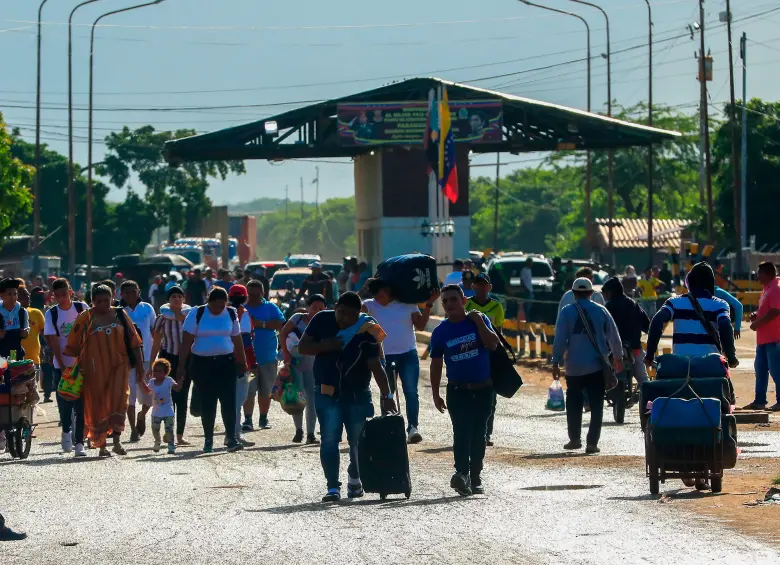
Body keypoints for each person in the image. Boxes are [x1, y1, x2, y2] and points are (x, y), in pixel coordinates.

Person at [298, 292, 395, 502]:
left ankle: (355, 477)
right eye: (340, 313)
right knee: (330, 439)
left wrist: (387, 394)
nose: (343, 319)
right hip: (326, 392)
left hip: (357, 394)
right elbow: (303, 347)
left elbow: (375, 365)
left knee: (358, 441)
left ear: (358, 314)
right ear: (335, 307)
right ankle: (333, 487)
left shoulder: (366, 328)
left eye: (350, 316)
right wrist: (326, 345)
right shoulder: (322, 319)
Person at [430, 284, 500, 496]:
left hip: (483, 389)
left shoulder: (477, 321)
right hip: (457, 391)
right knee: (461, 432)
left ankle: (475, 476)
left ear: (463, 301)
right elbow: (435, 363)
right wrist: (435, 393)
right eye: (445, 301)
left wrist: (479, 322)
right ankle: (461, 473)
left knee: (479, 433)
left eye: (453, 299)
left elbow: (493, 345)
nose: (450, 304)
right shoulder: (440, 332)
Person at [64, 284, 145, 457]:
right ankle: (101, 446)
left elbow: (135, 341)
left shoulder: (120, 314)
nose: (103, 304)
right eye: (98, 301)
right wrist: (81, 365)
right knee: (98, 407)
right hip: (94, 371)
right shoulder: (85, 317)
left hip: (119, 368)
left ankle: (116, 441)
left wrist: (140, 366)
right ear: (92, 302)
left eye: (106, 301)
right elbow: (73, 345)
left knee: (119, 402)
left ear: (112, 298)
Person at [552, 277, 624, 454]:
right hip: (596, 366)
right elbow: (613, 335)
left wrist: (556, 360)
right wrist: (618, 357)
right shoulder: (601, 310)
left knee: (574, 403)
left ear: (574, 293)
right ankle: (592, 443)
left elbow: (560, 338)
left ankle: (574, 439)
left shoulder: (567, 311)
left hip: (574, 366)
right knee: (597, 404)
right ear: (591, 293)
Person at [363, 279, 438, 444]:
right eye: (375, 293)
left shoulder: (407, 304)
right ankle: (388, 428)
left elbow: (420, 326)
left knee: (411, 392)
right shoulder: (369, 305)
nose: (378, 296)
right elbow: (350, 307)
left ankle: (413, 428)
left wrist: (429, 304)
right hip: (383, 357)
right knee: (386, 393)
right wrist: (363, 289)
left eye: (380, 292)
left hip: (408, 354)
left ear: (388, 290)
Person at [178, 287, 248, 453]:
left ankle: (231, 437)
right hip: (202, 364)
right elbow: (186, 342)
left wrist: (243, 362)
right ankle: (208, 438)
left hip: (226, 362)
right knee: (208, 402)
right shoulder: (197, 313)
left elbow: (237, 340)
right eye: (216, 306)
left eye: (222, 306)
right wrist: (181, 367)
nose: (219, 309)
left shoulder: (231, 314)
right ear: (208, 302)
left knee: (228, 401)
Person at [645, 262, 738, 369]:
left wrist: (650, 355)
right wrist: (731, 357)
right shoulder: (720, 304)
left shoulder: (675, 302)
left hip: (681, 367)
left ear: (689, 282)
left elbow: (657, 320)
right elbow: (725, 324)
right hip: (710, 367)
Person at [43, 278, 88, 454]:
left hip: (81, 364)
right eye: (58, 295)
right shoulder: (52, 314)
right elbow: (53, 341)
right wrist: (61, 366)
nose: (62, 298)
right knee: (64, 402)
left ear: (70, 292)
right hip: (61, 364)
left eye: (64, 294)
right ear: (53, 296)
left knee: (80, 403)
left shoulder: (81, 308)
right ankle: (66, 431)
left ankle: (79, 442)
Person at [279, 294, 327, 443]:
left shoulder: (324, 321)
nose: (317, 310)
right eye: (314, 307)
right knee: (297, 397)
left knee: (312, 400)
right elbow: (283, 333)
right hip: (295, 363)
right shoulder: (297, 318)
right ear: (308, 307)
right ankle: (298, 430)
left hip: (313, 364)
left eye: (320, 308)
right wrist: (286, 354)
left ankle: (311, 434)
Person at [465, 273, 505, 447]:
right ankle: (469, 431)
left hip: (489, 354)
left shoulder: (496, 307)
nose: (481, 288)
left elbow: (499, 333)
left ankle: (486, 433)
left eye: (484, 285)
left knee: (490, 397)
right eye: (478, 284)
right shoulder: (466, 304)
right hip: (469, 354)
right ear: (473, 286)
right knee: (467, 395)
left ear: (489, 287)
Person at [149, 286, 193, 445]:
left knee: (183, 395)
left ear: (184, 299)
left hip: (186, 359)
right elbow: (156, 343)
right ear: (168, 300)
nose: (176, 299)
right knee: (168, 397)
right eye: (173, 296)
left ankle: (180, 435)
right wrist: (152, 364)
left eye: (179, 296)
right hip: (168, 359)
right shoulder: (162, 318)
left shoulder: (190, 316)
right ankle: (169, 433)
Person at [241, 280, 285, 431]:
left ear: (262, 293)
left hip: (267, 358)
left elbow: (280, 323)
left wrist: (261, 324)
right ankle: (247, 419)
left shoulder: (270, 307)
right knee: (248, 390)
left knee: (266, 391)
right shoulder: (242, 309)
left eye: (256, 294)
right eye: (250, 294)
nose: (253, 297)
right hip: (248, 361)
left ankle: (263, 418)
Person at [121, 280, 157, 443]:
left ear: (139, 291)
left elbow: (154, 331)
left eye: (132, 291)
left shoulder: (147, 308)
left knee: (150, 394)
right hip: (128, 360)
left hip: (147, 357)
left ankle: (142, 415)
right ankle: (133, 428)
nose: (130, 295)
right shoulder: (119, 312)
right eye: (126, 292)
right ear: (121, 295)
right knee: (131, 396)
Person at [743, 261, 780, 411]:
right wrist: (756, 315)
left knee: (777, 371)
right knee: (761, 370)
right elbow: (768, 310)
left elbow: (776, 311)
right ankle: (759, 401)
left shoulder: (776, 288)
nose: (757, 276)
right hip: (764, 340)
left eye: (760, 273)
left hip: (774, 338)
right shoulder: (767, 288)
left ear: (768, 274)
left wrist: (757, 323)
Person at [602, 277, 651, 386]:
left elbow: (601, 328)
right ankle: (649, 400)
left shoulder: (608, 307)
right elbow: (647, 326)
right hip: (634, 349)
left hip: (613, 351)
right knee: (643, 380)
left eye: (604, 293)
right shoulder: (633, 304)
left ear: (610, 292)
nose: (604, 296)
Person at [227, 284, 256, 448]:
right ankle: (235, 435)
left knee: (232, 400)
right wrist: (252, 362)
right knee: (239, 399)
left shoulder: (224, 311)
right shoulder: (243, 314)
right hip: (240, 363)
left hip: (225, 360)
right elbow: (245, 341)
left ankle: (231, 434)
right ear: (245, 297)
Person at [147, 358, 180, 454]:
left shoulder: (168, 380)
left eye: (159, 371)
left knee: (169, 430)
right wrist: (140, 382)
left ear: (166, 372)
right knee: (155, 429)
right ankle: (157, 442)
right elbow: (147, 391)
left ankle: (171, 446)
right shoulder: (152, 382)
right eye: (155, 370)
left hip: (168, 412)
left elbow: (176, 387)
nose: (156, 373)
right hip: (156, 412)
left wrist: (180, 383)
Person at [17, 286, 45, 392]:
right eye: (24, 295)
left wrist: (48, 350)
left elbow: (45, 334)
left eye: (28, 294)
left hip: (33, 360)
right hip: (15, 362)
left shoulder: (36, 313)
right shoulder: (10, 313)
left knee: (32, 394)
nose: (28, 297)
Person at [0, 278, 29, 361]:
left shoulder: (22, 312)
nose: (13, 297)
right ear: (2, 296)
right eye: (9, 294)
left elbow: (26, 331)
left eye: (15, 294)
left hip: (14, 351)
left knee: (14, 369)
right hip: (1, 354)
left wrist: (25, 332)